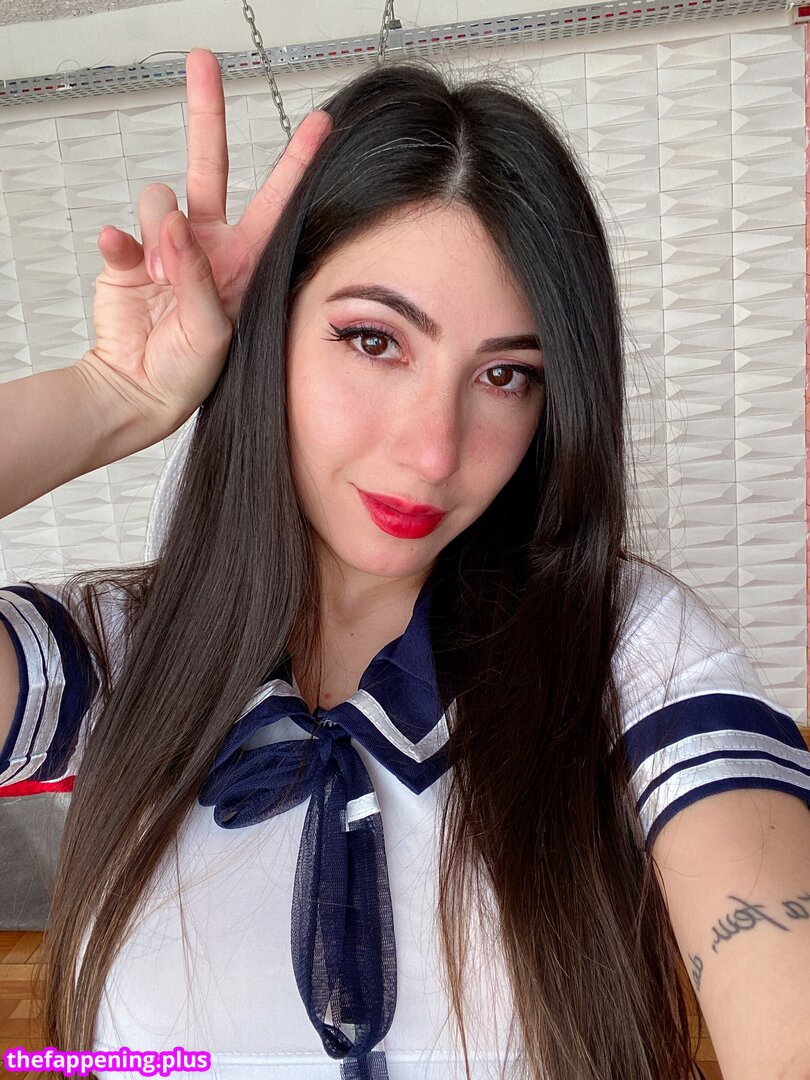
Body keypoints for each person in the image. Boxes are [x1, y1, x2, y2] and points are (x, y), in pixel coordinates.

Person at [0, 46, 809, 1080]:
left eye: (506, 376)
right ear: (267, 334)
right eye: (375, 341)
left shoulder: (626, 650)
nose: (434, 452)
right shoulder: (120, 658)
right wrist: (112, 397)